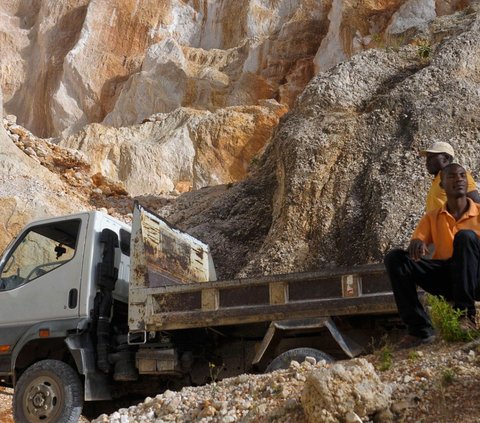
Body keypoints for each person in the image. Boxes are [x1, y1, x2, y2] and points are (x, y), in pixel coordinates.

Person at [385, 163, 480, 349]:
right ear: (441, 185)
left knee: (466, 237)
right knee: (395, 258)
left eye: (462, 175)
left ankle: (465, 317)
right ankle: (419, 330)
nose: (459, 179)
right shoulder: (432, 217)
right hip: (449, 278)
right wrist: (418, 242)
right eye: (452, 176)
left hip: (476, 276)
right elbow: (418, 241)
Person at [421, 141, 480, 212]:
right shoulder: (437, 180)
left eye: (431, 157)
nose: (427, 162)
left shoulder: (459, 176)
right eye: (427, 158)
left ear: (446, 158)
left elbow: (477, 204)